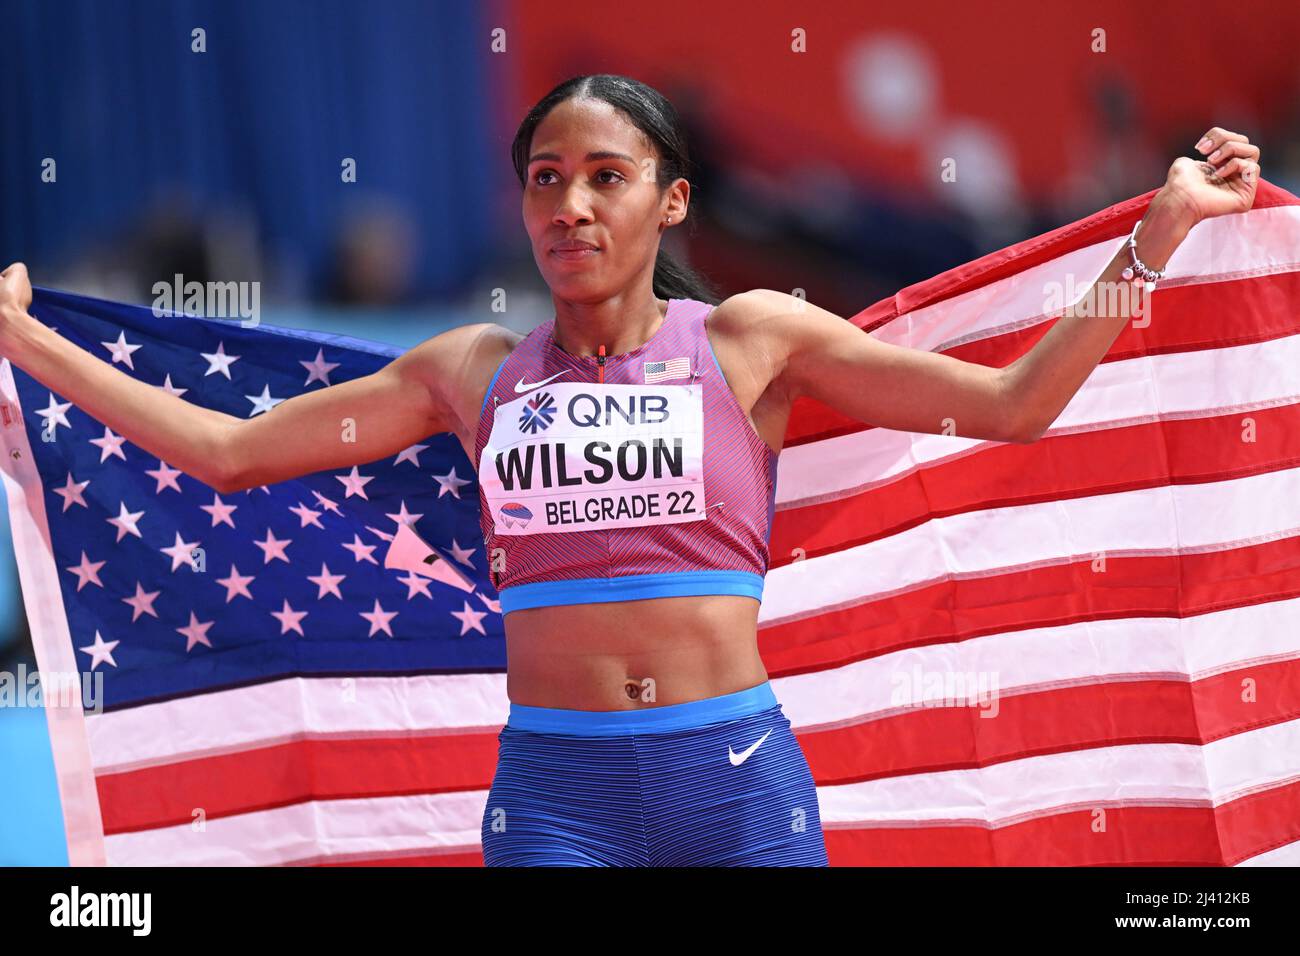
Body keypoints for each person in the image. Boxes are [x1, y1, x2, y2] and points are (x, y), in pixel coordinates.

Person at [0, 73, 1260, 866]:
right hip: (556, 799)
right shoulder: (468, 370)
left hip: (738, 784)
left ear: (670, 203)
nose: (571, 206)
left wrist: (1150, 240)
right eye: (547, 179)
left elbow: (1012, 404)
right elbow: (224, 456)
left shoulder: (752, 337)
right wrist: (25, 339)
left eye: (608, 177)